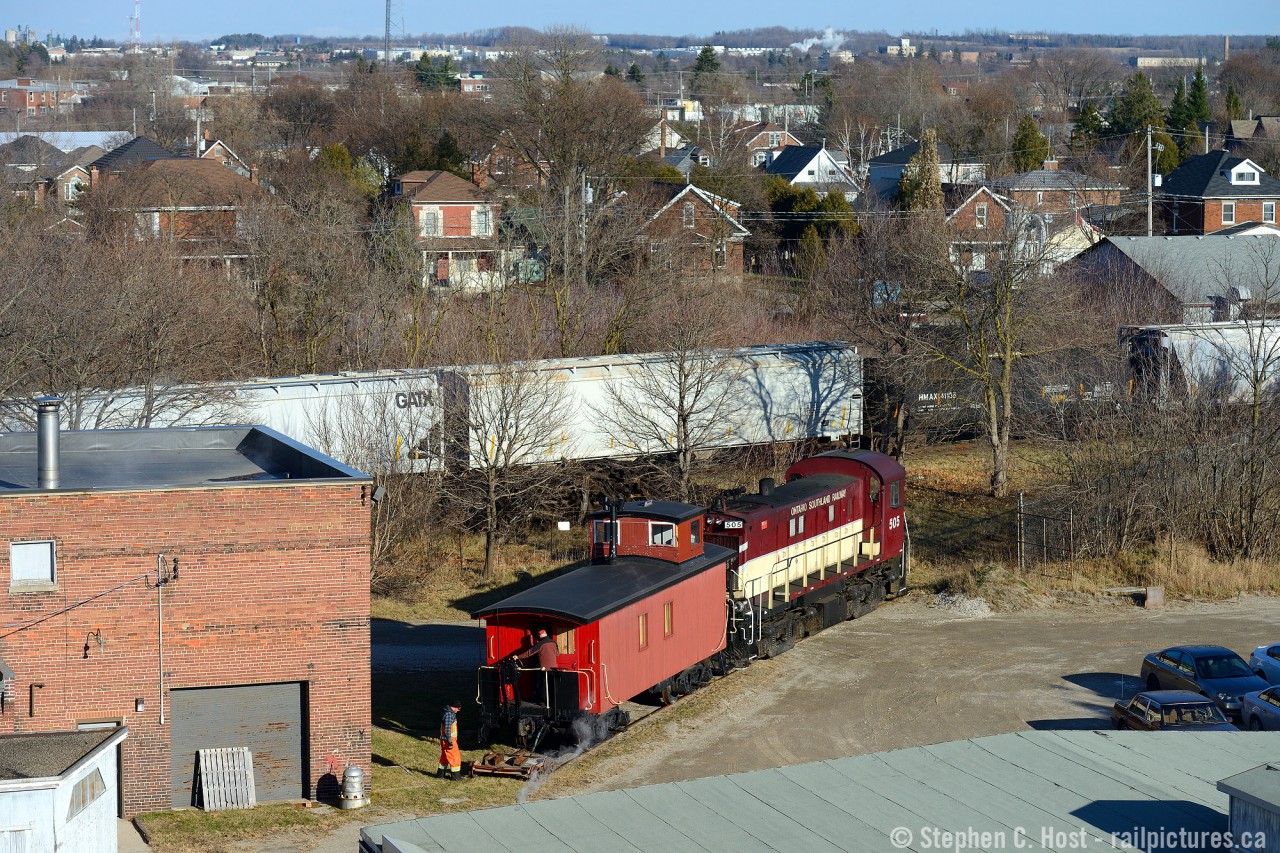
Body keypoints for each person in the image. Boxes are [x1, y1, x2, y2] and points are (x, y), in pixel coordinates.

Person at [437, 700, 464, 782]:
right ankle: (455, 777)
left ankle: (440, 775)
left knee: (444, 757)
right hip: (449, 740)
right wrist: (449, 740)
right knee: (455, 757)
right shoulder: (449, 714)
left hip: (446, 740)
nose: (458, 711)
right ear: (454, 707)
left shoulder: (448, 713)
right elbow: (447, 728)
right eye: (458, 709)